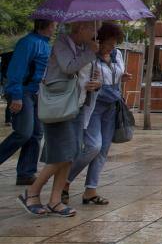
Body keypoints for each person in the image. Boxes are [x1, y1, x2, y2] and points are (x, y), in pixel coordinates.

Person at [21, 21, 98, 217]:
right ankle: (32, 191)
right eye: (92, 28)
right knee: (61, 154)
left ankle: (55, 200)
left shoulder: (83, 47)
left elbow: (88, 74)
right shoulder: (62, 44)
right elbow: (67, 67)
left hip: (78, 106)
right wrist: (90, 52)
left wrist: (97, 83)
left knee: (71, 154)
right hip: (59, 106)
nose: (94, 32)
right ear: (80, 28)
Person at [63, 23, 130, 205]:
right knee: (93, 146)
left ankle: (90, 190)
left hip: (112, 106)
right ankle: (65, 181)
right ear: (98, 41)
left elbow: (116, 76)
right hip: (93, 106)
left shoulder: (117, 55)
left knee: (103, 149)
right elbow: (81, 78)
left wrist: (121, 77)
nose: (111, 47)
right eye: (108, 43)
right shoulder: (89, 56)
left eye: (114, 43)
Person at [0, 19, 55, 186]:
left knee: (36, 134)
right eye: (54, 25)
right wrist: (15, 95)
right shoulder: (28, 43)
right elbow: (17, 69)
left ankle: (26, 173)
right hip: (23, 92)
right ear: (46, 25)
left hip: (37, 93)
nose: (56, 27)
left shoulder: (46, 45)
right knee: (23, 132)